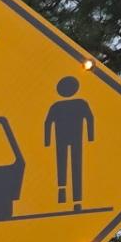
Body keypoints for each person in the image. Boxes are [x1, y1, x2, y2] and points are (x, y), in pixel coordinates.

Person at [43, 76, 95, 209]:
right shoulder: (62, 105)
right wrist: (47, 141)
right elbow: (47, 123)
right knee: (68, 166)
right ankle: (64, 192)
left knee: (72, 166)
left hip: (70, 139)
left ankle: (75, 198)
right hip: (66, 139)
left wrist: (90, 136)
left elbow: (89, 119)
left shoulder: (77, 104)